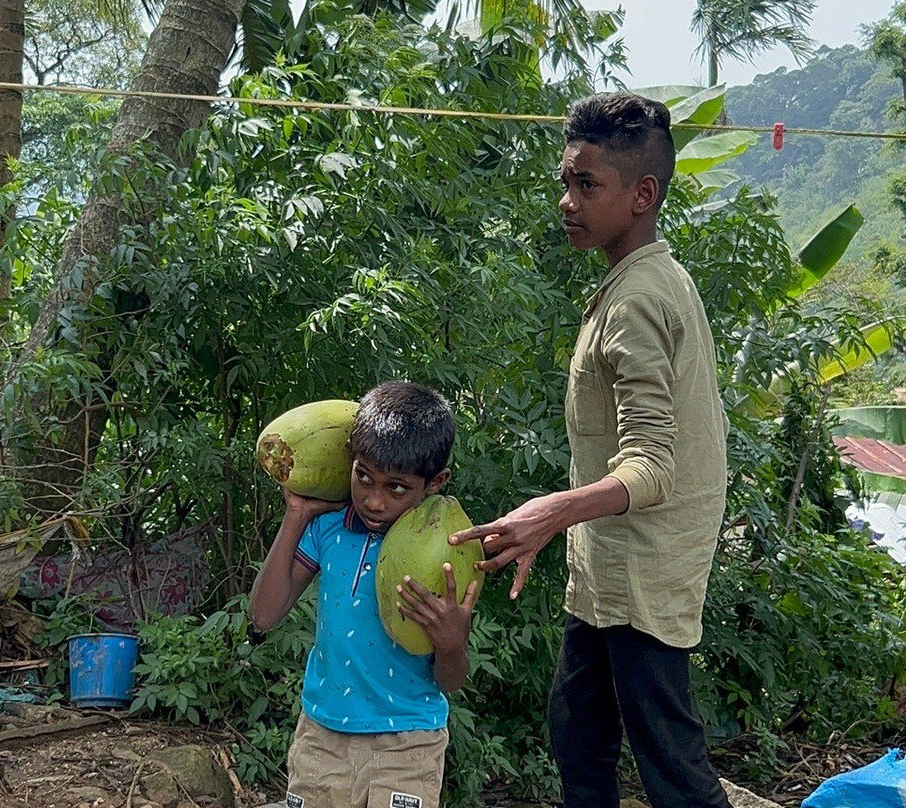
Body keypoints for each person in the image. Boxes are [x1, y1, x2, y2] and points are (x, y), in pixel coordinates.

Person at [450, 92, 733, 808]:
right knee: (578, 739)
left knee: (672, 769)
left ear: (642, 194)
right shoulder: (641, 280)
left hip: (643, 573)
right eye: (565, 182)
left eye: (586, 185)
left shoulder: (639, 298)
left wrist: (548, 514)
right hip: (610, 568)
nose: (567, 201)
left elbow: (653, 465)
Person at [249, 380, 480, 808]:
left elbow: (450, 680)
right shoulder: (329, 528)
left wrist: (453, 643)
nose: (374, 502)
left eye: (396, 488)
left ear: (435, 482)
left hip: (407, 743)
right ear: (348, 463)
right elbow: (262, 615)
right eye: (363, 478)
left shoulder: (447, 549)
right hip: (322, 737)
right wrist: (297, 514)